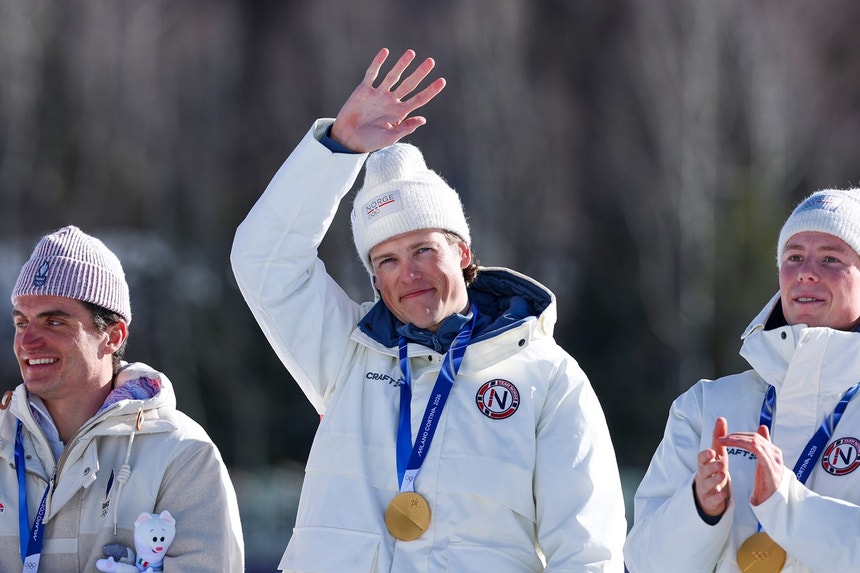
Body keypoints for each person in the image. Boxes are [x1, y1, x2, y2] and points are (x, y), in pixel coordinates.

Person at [230, 48, 626, 572]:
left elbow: (587, 549)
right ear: (375, 277)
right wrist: (338, 151)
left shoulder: (546, 376)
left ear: (461, 252)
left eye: (423, 250)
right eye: (387, 260)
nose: (408, 274)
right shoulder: (346, 356)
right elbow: (263, 260)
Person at [624, 188, 860, 572]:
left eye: (831, 258)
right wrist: (700, 509)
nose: (806, 272)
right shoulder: (705, 407)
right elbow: (643, 564)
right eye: (794, 257)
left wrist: (786, 505)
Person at [0, 225, 245, 572]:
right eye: (21, 322)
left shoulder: (183, 455)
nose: (27, 342)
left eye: (54, 322)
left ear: (113, 336)